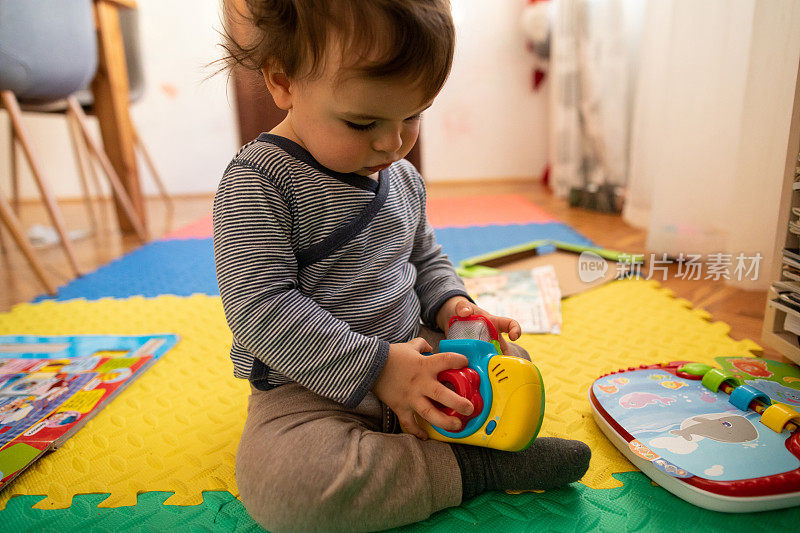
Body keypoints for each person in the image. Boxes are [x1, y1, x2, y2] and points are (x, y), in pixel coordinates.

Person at [213, 1, 590, 531]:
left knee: (510, 357)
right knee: (287, 488)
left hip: (415, 356)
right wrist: (378, 369)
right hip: (312, 393)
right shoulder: (259, 182)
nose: (393, 144)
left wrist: (455, 308)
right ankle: (469, 464)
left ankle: (434, 428)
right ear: (283, 81)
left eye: (412, 115)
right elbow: (259, 308)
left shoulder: (401, 178)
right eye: (363, 121)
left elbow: (425, 260)